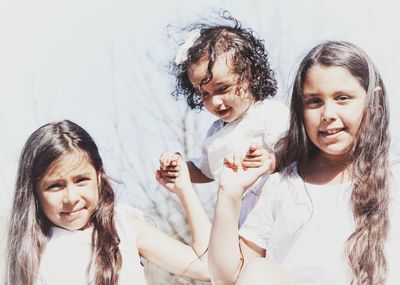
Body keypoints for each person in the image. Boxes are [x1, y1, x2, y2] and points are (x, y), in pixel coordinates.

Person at [208, 41, 400, 284]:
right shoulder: (281, 184)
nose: (327, 114)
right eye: (314, 102)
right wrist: (229, 194)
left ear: (373, 103)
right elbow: (226, 277)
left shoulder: (394, 179)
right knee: (260, 271)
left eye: (342, 98)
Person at [5, 120, 210, 285]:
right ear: (34, 191)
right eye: (55, 186)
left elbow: (209, 267)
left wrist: (185, 190)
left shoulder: (124, 226)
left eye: (81, 180)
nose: (71, 198)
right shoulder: (31, 251)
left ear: (98, 177)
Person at [160, 12, 289, 227]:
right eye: (205, 94)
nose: (216, 102)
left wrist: (273, 159)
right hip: (238, 221)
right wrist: (179, 168)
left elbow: (291, 144)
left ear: (252, 75)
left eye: (223, 89)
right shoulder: (215, 134)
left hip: (276, 213)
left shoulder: (269, 114)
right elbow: (206, 171)